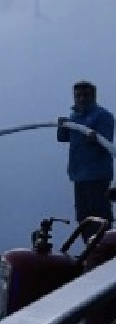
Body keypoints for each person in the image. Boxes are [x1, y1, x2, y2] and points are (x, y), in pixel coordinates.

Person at [57, 80, 115, 242]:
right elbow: (63, 138)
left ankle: (105, 250)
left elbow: (106, 142)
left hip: (97, 174)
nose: (81, 99)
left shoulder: (103, 116)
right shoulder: (74, 116)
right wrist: (62, 126)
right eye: (78, 96)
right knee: (83, 216)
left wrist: (94, 138)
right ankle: (89, 250)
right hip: (78, 174)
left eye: (85, 95)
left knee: (99, 215)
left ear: (93, 96)